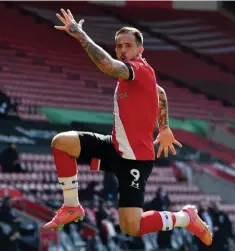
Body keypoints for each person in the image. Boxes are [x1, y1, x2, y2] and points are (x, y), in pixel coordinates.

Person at [42, 8, 212, 246]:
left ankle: (185, 217)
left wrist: (81, 35)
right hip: (114, 147)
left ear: (140, 50)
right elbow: (160, 93)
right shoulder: (138, 76)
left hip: (135, 160)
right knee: (61, 143)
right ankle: (72, 206)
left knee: (132, 227)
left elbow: (108, 66)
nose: (122, 50)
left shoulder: (139, 69)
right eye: (119, 46)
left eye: (128, 46)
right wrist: (164, 128)